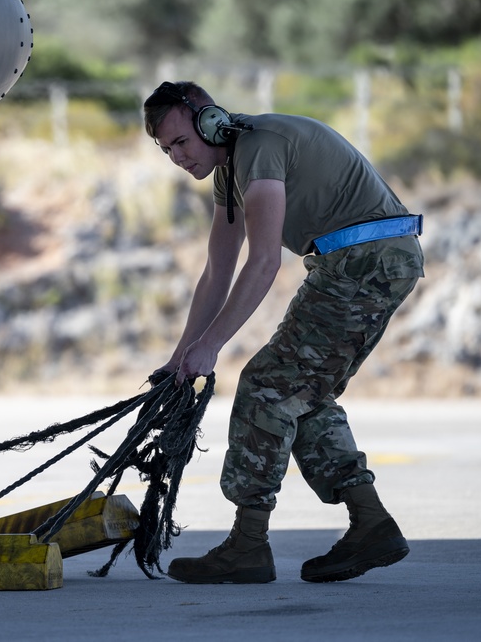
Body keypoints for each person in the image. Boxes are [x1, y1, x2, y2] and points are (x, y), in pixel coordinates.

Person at [143, 81, 424, 584]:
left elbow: (265, 262)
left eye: (181, 142)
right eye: (166, 150)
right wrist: (180, 356)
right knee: (301, 393)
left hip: (367, 262)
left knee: (267, 384)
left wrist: (212, 346)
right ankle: (372, 523)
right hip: (359, 264)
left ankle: (247, 546)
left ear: (210, 121)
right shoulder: (230, 170)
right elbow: (217, 272)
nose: (176, 157)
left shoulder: (259, 145)